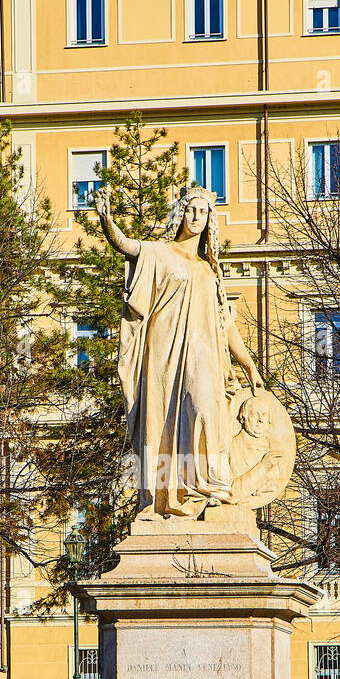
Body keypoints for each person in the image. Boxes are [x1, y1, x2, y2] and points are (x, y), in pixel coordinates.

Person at [94, 184, 262, 519]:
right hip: (164, 354)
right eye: (191, 210)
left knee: (205, 410)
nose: (197, 217)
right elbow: (127, 246)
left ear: (210, 219)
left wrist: (248, 365)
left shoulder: (209, 270)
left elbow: (225, 324)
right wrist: (106, 220)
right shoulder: (159, 253)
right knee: (161, 423)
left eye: (203, 212)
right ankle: (165, 498)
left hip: (204, 356)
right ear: (180, 213)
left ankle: (210, 489)